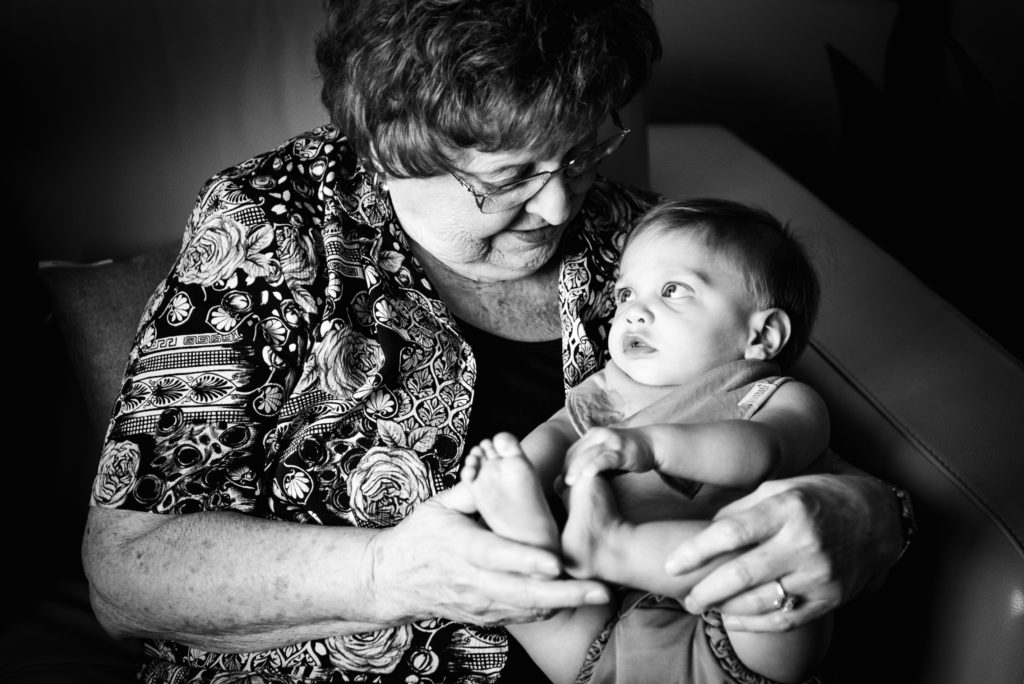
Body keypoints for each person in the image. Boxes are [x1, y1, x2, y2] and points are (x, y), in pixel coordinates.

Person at [81, 1, 915, 682]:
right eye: (511, 178)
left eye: (584, 156)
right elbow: (128, 573)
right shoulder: (271, 224)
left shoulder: (643, 240)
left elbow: (762, 422)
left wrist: (870, 517)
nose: (559, 210)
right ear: (390, 144)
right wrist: (387, 574)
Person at [457, 198, 832, 684]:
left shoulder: (776, 397)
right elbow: (557, 432)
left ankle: (613, 547)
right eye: (626, 295)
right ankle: (528, 534)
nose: (634, 312)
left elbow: (763, 451)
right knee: (526, 595)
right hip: (604, 636)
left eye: (673, 290)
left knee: (774, 574)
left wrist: (655, 446)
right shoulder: (609, 389)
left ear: (762, 336)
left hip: (726, 635)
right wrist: (518, 470)